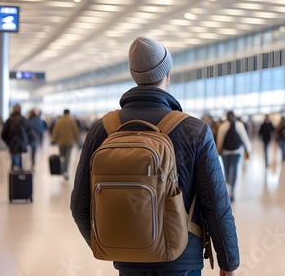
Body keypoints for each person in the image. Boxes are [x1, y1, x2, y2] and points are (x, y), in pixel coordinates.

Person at [71, 36, 239, 276]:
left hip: (128, 260)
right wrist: (228, 262)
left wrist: (113, 243)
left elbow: (79, 206)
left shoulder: (103, 129)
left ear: (133, 75)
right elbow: (216, 205)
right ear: (167, 74)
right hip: (182, 259)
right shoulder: (195, 130)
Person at [216, 110, 252, 202]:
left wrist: (218, 150)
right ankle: (233, 190)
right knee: (235, 169)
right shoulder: (239, 125)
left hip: (225, 152)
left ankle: (228, 188)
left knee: (227, 170)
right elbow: (244, 138)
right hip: (236, 151)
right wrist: (248, 149)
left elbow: (220, 140)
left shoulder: (223, 126)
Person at [1, 104, 35, 170]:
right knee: (20, 160)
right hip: (22, 144)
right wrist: (27, 142)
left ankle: (13, 177)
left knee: (13, 162)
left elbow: (3, 134)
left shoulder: (10, 120)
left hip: (12, 143)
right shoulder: (24, 120)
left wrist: (8, 142)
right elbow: (30, 132)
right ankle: (20, 176)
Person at [52, 109, 79, 180]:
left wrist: (54, 139)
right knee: (67, 157)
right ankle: (65, 171)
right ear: (69, 113)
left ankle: (63, 169)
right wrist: (77, 140)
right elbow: (75, 131)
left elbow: (55, 131)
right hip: (69, 142)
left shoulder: (59, 121)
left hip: (61, 142)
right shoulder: (72, 121)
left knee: (62, 156)